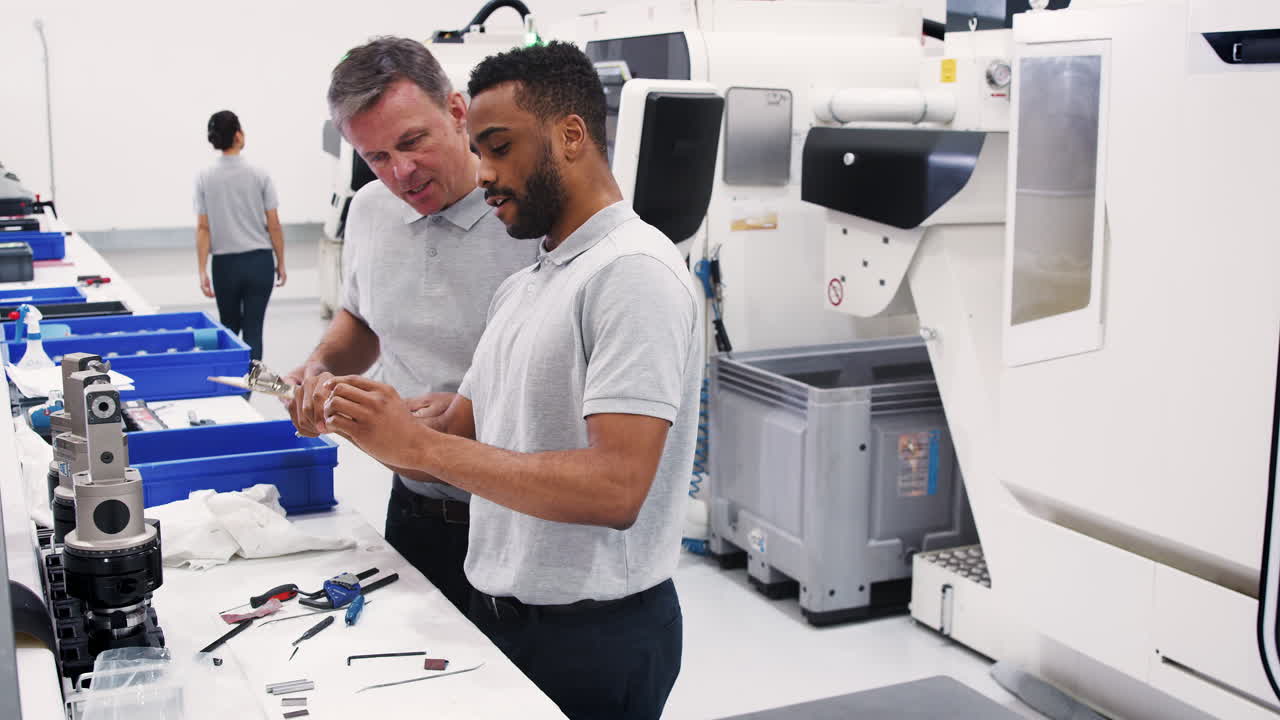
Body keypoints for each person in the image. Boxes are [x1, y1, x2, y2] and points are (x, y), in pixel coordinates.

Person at [321, 41, 702, 720]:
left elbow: (617, 489)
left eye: (499, 148)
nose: (485, 173)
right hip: (504, 611)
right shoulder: (529, 283)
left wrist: (419, 448)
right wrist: (362, 412)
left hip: (592, 634)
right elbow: (462, 428)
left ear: (571, 135)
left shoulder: (633, 273)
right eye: (479, 150)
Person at [285, 37, 538, 612]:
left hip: (515, 520)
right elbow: (362, 318)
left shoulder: (526, 220)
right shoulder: (372, 209)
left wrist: (470, 416)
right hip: (415, 508)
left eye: (411, 141)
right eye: (376, 157)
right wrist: (321, 365)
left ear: (456, 112)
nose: (400, 172)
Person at [195, 110, 286, 362]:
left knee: (229, 328)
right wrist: (281, 262)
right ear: (238, 135)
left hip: (225, 265)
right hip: (259, 262)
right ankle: (249, 391)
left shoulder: (204, 177)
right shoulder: (260, 174)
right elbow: (274, 224)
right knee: (254, 330)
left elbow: (203, 228)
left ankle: (232, 387)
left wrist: (202, 269)